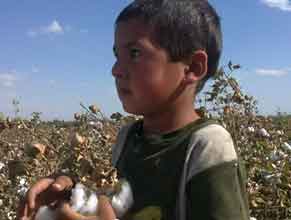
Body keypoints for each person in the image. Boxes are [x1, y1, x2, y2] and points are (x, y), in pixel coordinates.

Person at [18, 0, 250, 219]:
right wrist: (69, 191)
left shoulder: (208, 147)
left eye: (135, 53)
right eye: (117, 55)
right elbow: (115, 202)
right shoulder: (127, 138)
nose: (116, 70)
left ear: (193, 67)